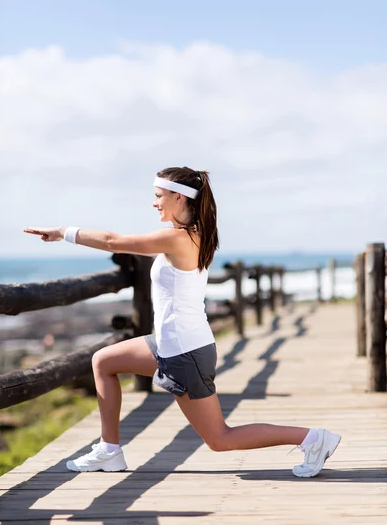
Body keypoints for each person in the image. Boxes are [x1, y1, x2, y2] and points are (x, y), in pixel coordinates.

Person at [24, 166, 341, 477]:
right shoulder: (192, 235)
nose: (154, 202)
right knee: (104, 361)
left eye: (158, 195)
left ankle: (312, 439)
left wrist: (63, 233)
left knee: (219, 439)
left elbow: (111, 241)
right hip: (171, 344)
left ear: (179, 197)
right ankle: (109, 451)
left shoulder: (178, 239)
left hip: (185, 352)